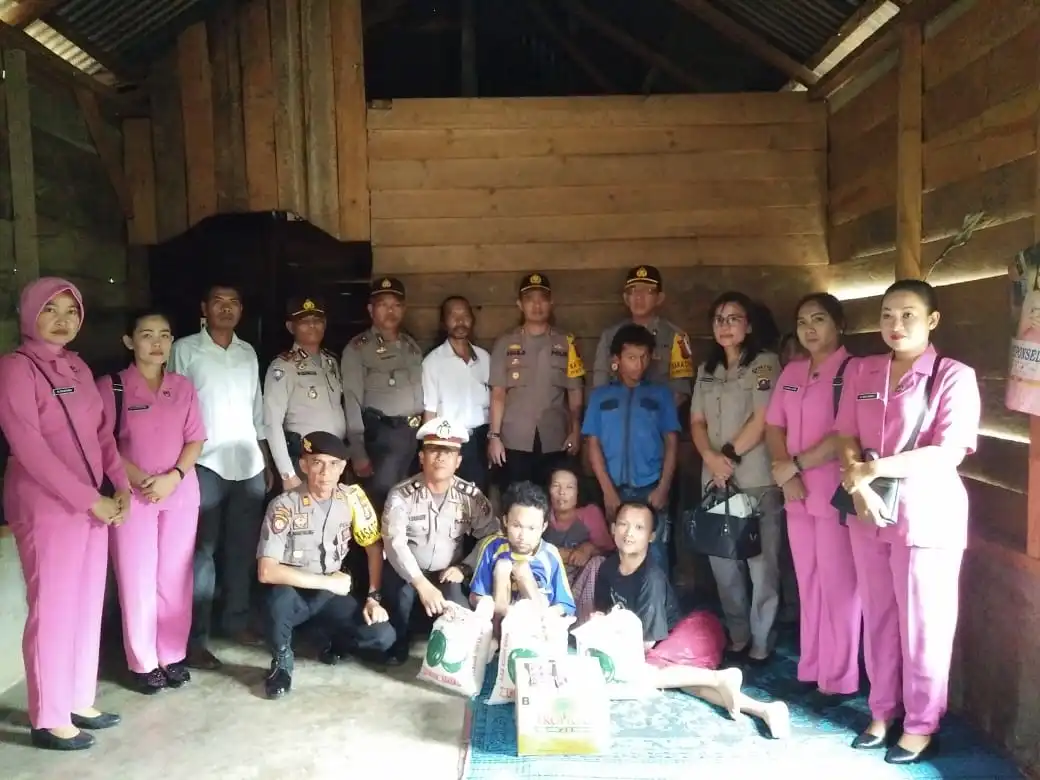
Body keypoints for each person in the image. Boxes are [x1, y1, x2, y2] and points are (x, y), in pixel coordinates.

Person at [835, 279, 980, 764]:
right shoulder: (863, 369)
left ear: (932, 320)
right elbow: (845, 434)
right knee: (877, 616)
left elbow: (948, 451)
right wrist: (857, 484)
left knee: (924, 625)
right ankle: (881, 710)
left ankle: (921, 724)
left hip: (927, 516)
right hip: (867, 512)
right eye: (887, 315)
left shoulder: (953, 375)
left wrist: (871, 471)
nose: (895, 325)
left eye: (909, 315)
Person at [0, 277, 131, 751]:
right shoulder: (16, 368)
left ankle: (77, 697)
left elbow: (101, 434)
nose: (62, 320)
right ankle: (48, 715)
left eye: (71, 311)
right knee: (54, 606)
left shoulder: (77, 366)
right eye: (51, 310)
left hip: (93, 502)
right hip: (46, 504)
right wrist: (88, 497)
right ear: (30, 314)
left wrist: (119, 486)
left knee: (87, 600)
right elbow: (29, 447)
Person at [592, 502, 790, 739]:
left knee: (648, 673)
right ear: (613, 528)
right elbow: (603, 614)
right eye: (623, 524)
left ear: (652, 536)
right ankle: (764, 709)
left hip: (687, 635)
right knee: (688, 685)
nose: (629, 533)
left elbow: (645, 644)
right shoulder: (607, 567)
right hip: (663, 646)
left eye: (638, 527)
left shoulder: (650, 579)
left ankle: (720, 678)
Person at [99, 309, 207, 695]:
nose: (157, 343)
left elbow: (195, 438)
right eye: (146, 335)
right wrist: (142, 480)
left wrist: (173, 477)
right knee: (137, 577)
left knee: (175, 577)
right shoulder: (112, 386)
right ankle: (143, 661)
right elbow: (103, 442)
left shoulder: (183, 387)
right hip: (134, 496)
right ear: (129, 341)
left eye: (164, 335)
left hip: (180, 492)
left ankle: (172, 654)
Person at [168, 283, 272, 669]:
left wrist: (264, 454)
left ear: (241, 310)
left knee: (242, 550)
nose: (226, 309)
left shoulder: (247, 352)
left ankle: (237, 621)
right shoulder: (184, 350)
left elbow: (256, 407)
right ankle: (196, 638)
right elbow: (171, 402)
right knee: (202, 553)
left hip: (247, 464)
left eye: (233, 303)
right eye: (218, 302)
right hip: (204, 463)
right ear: (203, 307)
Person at [765, 293, 861, 700]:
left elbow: (844, 434)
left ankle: (840, 677)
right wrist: (785, 473)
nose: (809, 329)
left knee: (839, 584)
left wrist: (796, 465)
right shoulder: (792, 370)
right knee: (808, 581)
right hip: (797, 494)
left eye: (819, 319)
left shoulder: (854, 371)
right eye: (803, 321)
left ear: (838, 324)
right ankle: (814, 665)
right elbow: (773, 426)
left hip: (833, 492)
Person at [256, 431, 395, 698]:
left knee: (382, 636)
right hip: (293, 591)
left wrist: (373, 597)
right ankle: (282, 662)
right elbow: (266, 571)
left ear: (343, 468)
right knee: (278, 601)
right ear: (304, 465)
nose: (325, 472)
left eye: (333, 464)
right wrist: (328, 582)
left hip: (328, 596)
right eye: (317, 462)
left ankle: (333, 642)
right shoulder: (284, 505)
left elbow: (374, 549)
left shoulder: (352, 499)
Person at [690, 291, 784, 663]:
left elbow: (763, 419)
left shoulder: (765, 364)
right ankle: (739, 633)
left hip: (755, 475)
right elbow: (696, 421)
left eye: (733, 318)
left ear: (748, 325)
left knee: (762, 563)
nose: (725, 325)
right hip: (715, 479)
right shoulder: (707, 370)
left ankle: (763, 638)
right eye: (719, 318)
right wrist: (711, 459)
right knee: (723, 561)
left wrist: (726, 457)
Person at [381, 417, 498, 664]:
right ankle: (400, 640)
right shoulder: (401, 495)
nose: (441, 457)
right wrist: (421, 584)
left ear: (458, 461)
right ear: (422, 457)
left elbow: (492, 535)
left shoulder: (471, 496)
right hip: (408, 572)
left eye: (449, 452)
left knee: (460, 617)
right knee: (399, 600)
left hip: (447, 571)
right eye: (434, 450)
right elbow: (395, 544)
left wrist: (465, 567)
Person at [583, 324, 680, 576]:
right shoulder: (600, 397)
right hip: (614, 489)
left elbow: (671, 443)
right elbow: (593, 445)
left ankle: (657, 614)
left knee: (656, 557)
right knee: (617, 556)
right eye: (631, 357)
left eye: (644, 357)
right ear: (616, 359)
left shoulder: (661, 395)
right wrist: (607, 492)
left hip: (651, 489)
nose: (638, 364)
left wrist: (663, 488)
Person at [487, 273, 585, 489]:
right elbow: (498, 394)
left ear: (551, 302)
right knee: (515, 501)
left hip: (556, 439)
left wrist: (576, 430)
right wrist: (494, 436)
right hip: (514, 440)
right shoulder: (505, 343)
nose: (537, 304)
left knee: (554, 504)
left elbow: (575, 393)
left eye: (542, 298)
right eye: (530, 299)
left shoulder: (568, 343)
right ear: (520, 304)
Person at [341, 277, 424, 511]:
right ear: (370, 309)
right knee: (382, 504)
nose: (391, 311)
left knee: (410, 503)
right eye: (383, 304)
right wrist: (357, 450)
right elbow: (351, 399)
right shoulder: (358, 349)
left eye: (396, 304)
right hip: (381, 436)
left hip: (412, 436)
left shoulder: (411, 346)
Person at [264, 296, 345, 489]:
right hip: (304, 461)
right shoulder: (283, 366)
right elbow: (271, 422)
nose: (312, 326)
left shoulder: (331, 362)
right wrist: (287, 474)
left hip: (333, 460)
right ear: (291, 327)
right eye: (305, 322)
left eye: (317, 321)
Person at [470, 480, 576, 619]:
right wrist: (488, 605)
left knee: (522, 569)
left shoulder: (550, 554)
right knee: (503, 566)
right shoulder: (492, 547)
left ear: (543, 527)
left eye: (531, 528)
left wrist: (549, 614)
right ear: (506, 521)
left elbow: (566, 605)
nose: (523, 536)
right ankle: (499, 635)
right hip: (499, 621)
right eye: (517, 526)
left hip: (537, 624)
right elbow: (476, 595)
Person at [592, 265, 693, 406]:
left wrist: (653, 419)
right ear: (626, 298)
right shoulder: (609, 336)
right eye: (633, 291)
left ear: (659, 298)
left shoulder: (677, 337)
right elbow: (600, 387)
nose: (639, 297)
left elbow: (680, 391)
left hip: (660, 422)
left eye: (648, 291)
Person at [421, 296, 490, 494]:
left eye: (465, 316)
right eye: (454, 316)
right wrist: (430, 452)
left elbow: (496, 401)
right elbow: (430, 412)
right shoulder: (433, 362)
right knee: (452, 494)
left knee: (480, 494)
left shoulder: (484, 358)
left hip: (482, 439)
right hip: (450, 440)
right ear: (444, 322)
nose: (460, 321)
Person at [544, 466, 613, 623]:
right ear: (548, 490)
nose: (562, 493)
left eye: (569, 487)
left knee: (598, 563)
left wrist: (588, 548)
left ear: (578, 492)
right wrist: (554, 553)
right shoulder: (541, 514)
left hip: (581, 583)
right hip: (551, 583)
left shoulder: (589, 513)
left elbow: (610, 551)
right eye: (556, 486)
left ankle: (582, 623)